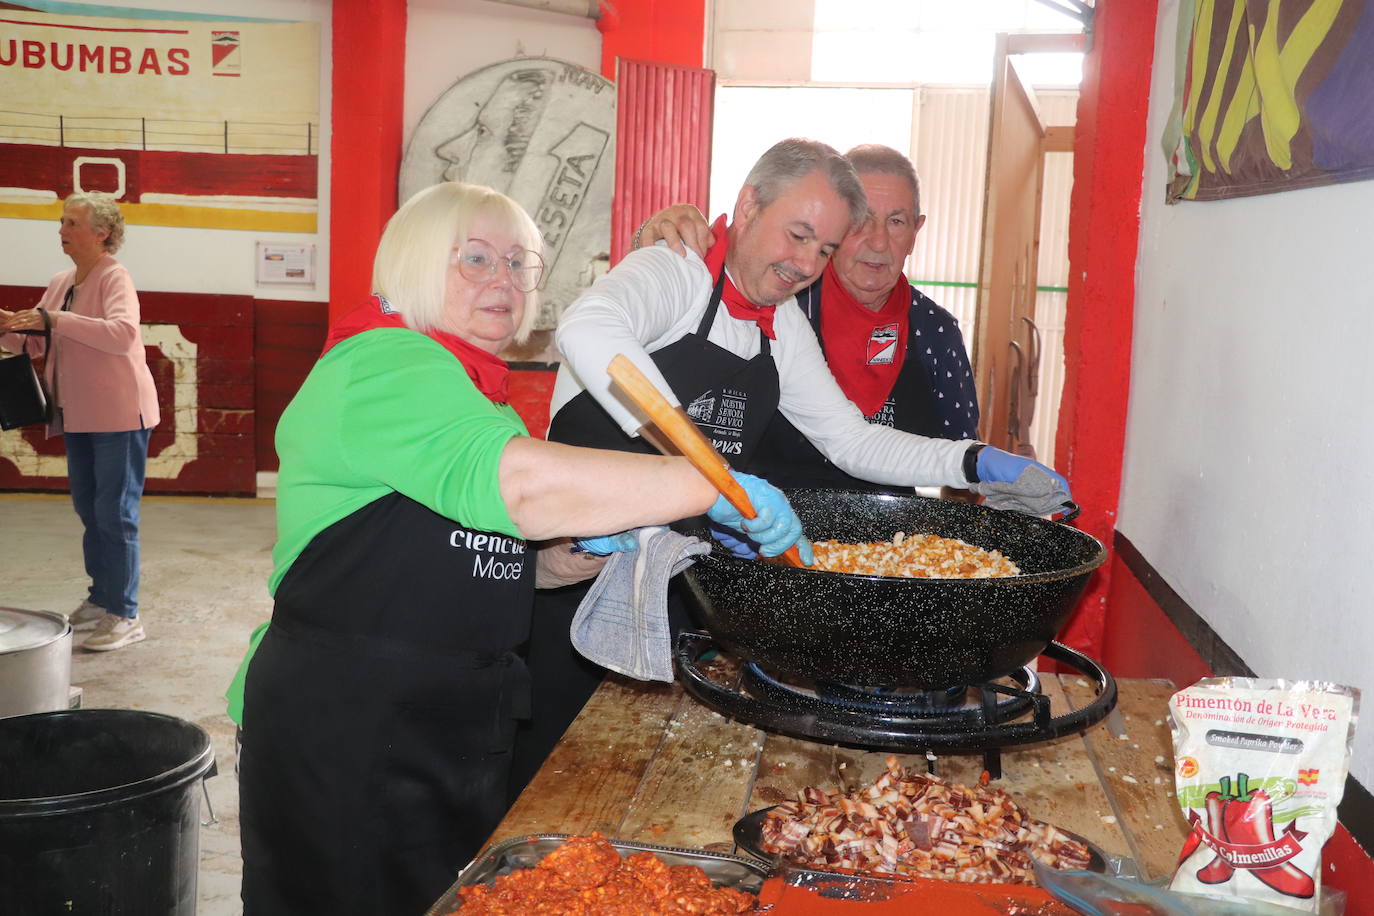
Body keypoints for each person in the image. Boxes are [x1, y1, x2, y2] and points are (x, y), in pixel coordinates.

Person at [231, 180, 809, 916]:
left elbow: (489, 556)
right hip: (349, 727)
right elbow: (522, 489)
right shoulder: (380, 364)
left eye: (519, 263)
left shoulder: (480, 395)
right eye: (475, 258)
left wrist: (574, 557)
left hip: (452, 720)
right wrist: (713, 486)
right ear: (411, 263)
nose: (502, 281)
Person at [510, 138, 1070, 801]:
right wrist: (710, 478)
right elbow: (588, 328)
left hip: (681, 585)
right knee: (560, 784)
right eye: (798, 234)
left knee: (658, 788)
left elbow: (849, 439)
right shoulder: (673, 271)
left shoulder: (777, 325)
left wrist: (973, 461)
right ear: (748, 205)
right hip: (579, 575)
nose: (805, 263)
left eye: (824, 250)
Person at [638, 143, 982, 495]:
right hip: (752, 525)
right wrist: (659, 235)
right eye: (862, 221)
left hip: (889, 542)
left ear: (915, 232)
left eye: (896, 221)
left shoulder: (935, 332)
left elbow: (857, 443)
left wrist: (978, 467)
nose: (878, 242)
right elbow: (618, 332)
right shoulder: (785, 298)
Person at [0, 191, 159, 652]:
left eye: (72, 223)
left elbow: (122, 334)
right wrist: (11, 329)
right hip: (78, 415)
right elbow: (34, 345)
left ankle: (126, 615)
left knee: (116, 514)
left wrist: (55, 319)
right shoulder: (61, 280)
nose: (62, 230)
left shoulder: (115, 277)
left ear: (102, 232)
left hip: (119, 415)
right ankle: (101, 598)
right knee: (91, 511)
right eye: (63, 221)